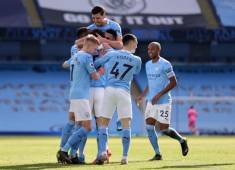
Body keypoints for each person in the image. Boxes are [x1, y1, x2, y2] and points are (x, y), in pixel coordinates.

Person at [95, 34, 142, 165]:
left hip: (109, 90)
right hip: (124, 92)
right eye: (136, 43)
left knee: (103, 123)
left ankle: (103, 151)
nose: (137, 46)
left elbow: (97, 63)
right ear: (131, 43)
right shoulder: (137, 59)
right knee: (126, 125)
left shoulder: (111, 54)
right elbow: (136, 72)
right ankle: (124, 157)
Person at [137, 42, 189, 161]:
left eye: (152, 49)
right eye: (148, 49)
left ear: (158, 50)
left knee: (164, 130)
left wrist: (159, 94)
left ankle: (182, 140)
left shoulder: (165, 64)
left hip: (164, 102)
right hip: (151, 102)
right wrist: (142, 95)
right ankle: (158, 154)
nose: (150, 51)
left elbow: (174, 82)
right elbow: (150, 83)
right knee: (149, 127)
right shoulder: (148, 64)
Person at [57, 35, 102, 164]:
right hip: (81, 95)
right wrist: (102, 71)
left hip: (73, 93)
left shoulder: (76, 55)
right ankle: (64, 151)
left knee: (75, 123)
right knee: (87, 127)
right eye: (95, 48)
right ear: (88, 45)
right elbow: (95, 76)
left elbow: (65, 64)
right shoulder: (87, 57)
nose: (96, 51)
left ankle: (71, 154)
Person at [58, 27, 89, 164]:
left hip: (75, 88)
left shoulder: (74, 50)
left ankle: (63, 152)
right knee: (83, 125)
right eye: (89, 37)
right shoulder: (83, 52)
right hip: (83, 90)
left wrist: (66, 62)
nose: (91, 40)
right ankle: (74, 154)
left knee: (72, 121)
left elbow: (67, 63)